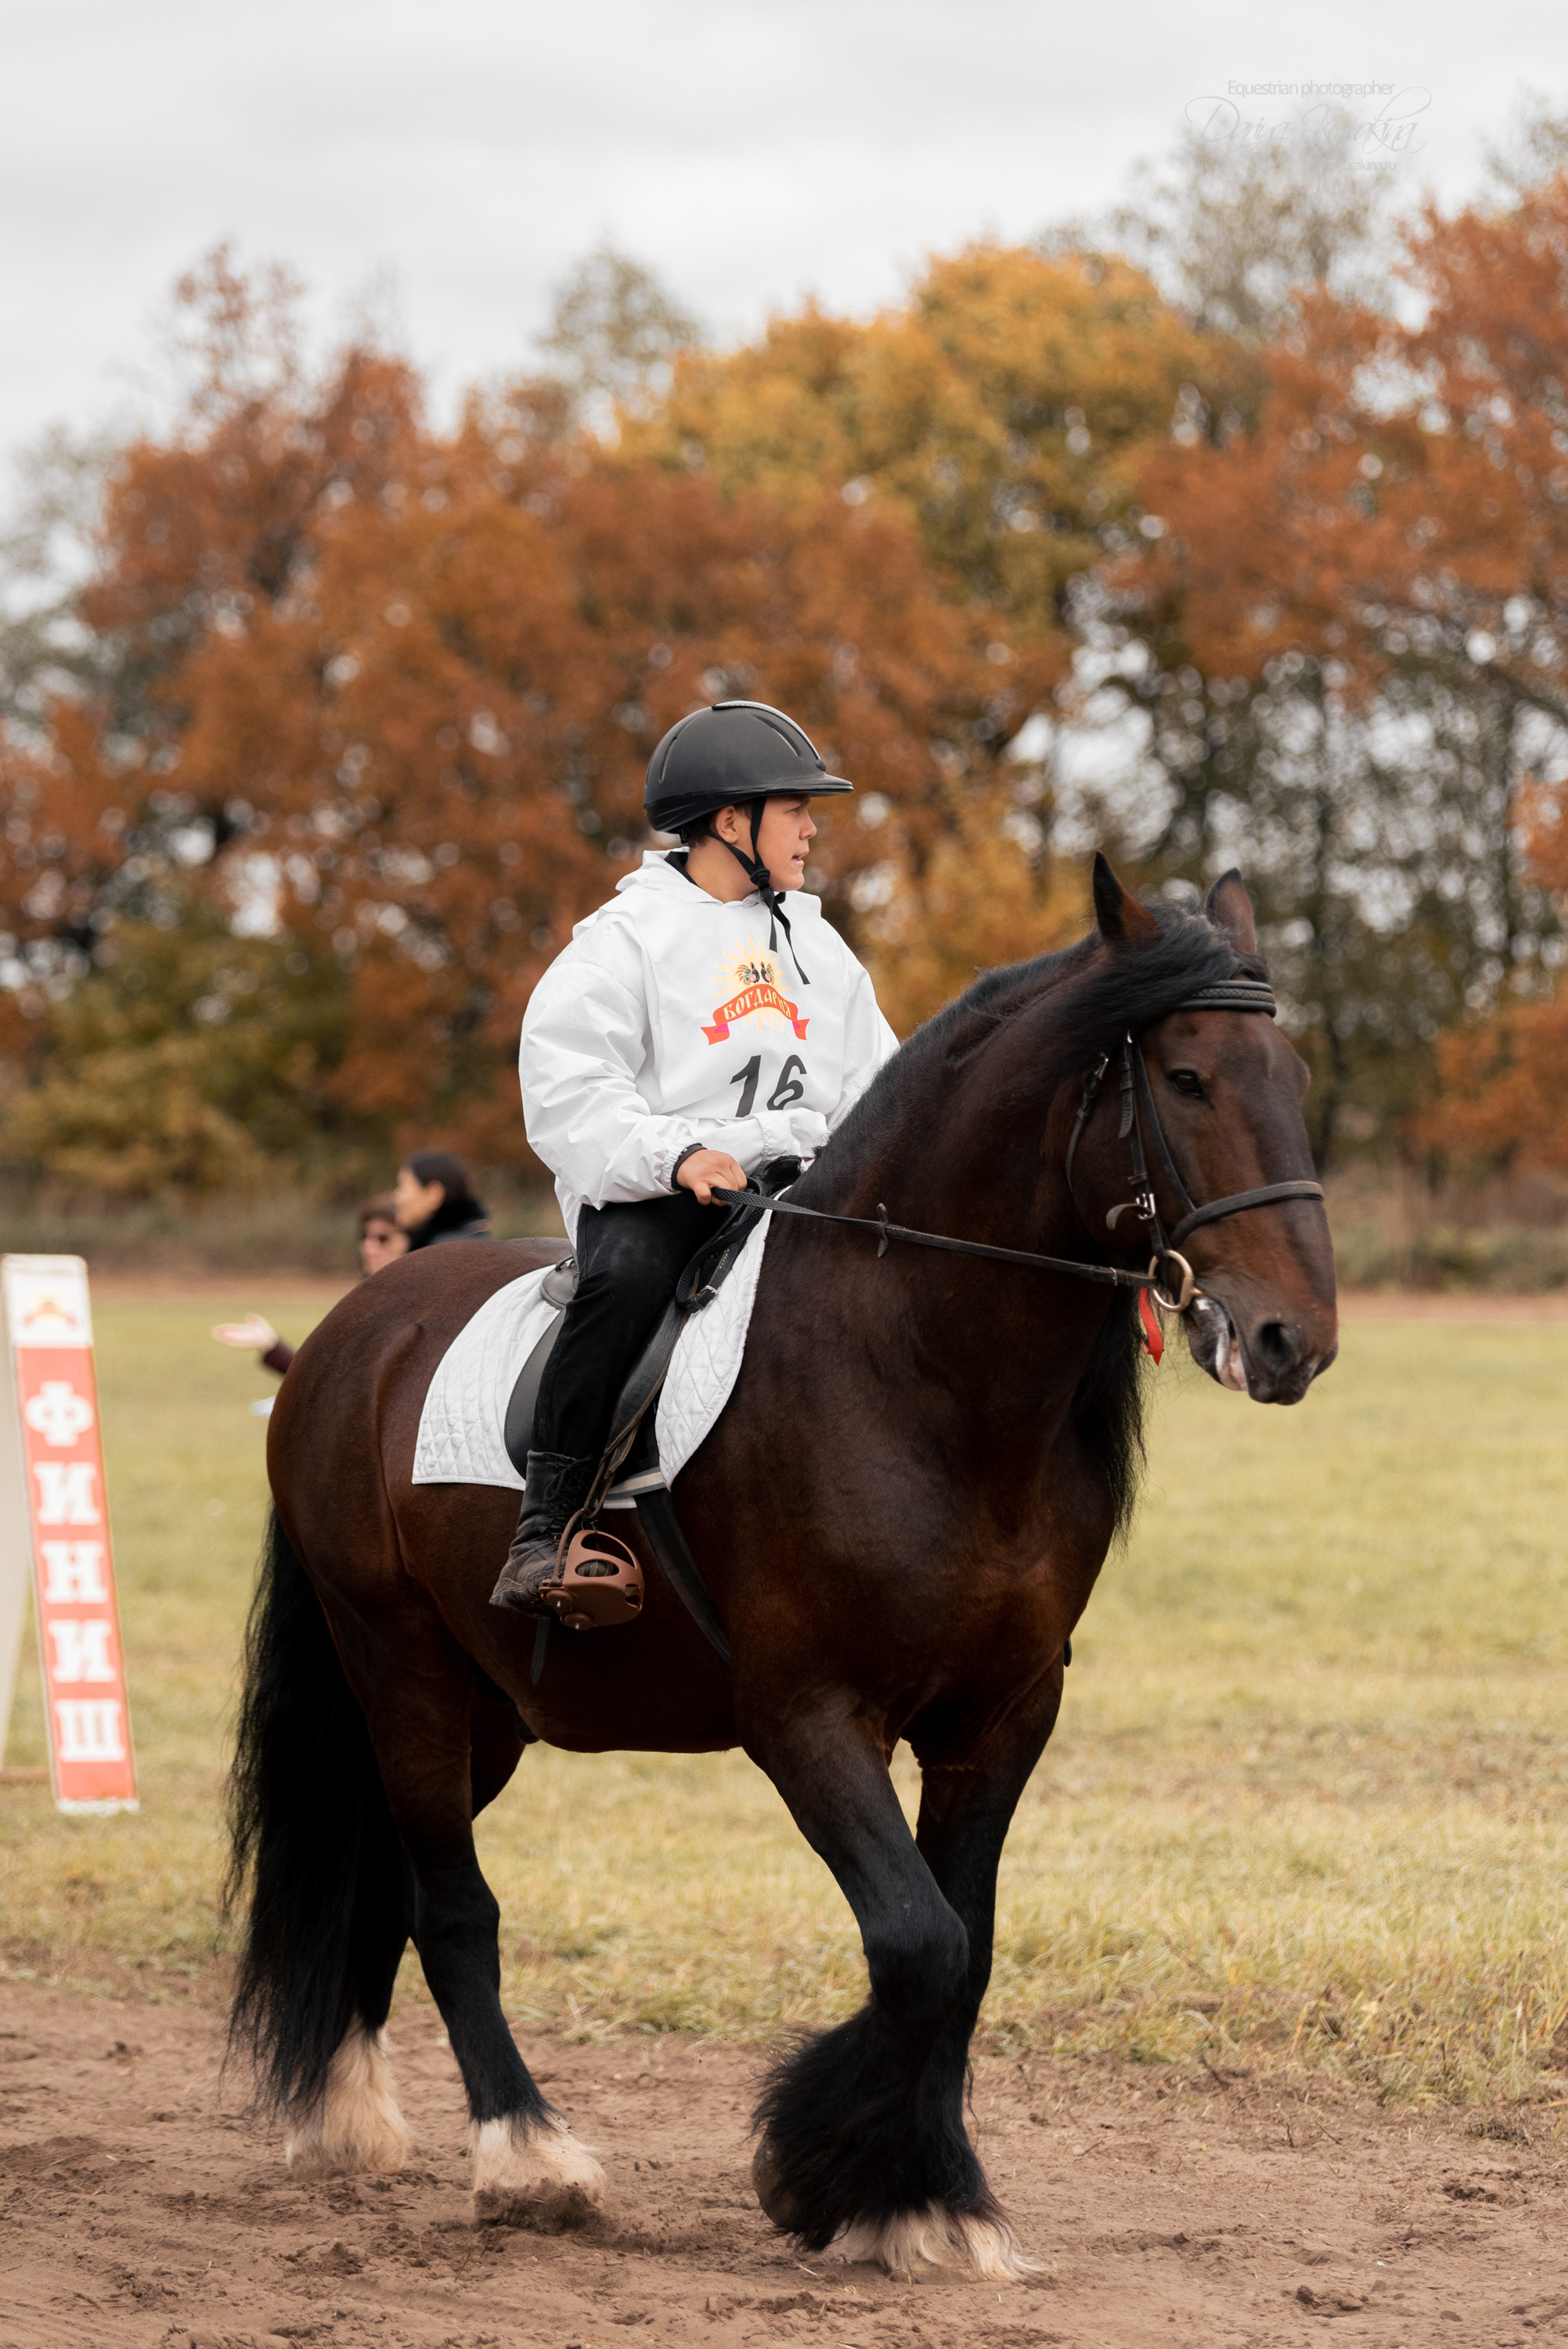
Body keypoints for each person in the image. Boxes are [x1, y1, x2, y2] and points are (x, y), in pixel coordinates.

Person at [490, 698, 899, 1616]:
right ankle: (544, 1528)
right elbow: (567, 1090)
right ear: (729, 822)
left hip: (806, 1188)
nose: (810, 827)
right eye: (794, 808)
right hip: (665, 1189)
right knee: (625, 1281)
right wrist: (678, 1156)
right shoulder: (620, 943)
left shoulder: (820, 948)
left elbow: (880, 1084)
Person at [211, 1193, 409, 1376]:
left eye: (383, 1239)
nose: (368, 1248)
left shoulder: (416, 1306)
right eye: (365, 1237)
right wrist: (271, 1345)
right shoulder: (367, 1297)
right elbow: (331, 1382)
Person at [394, 1149, 492, 1247]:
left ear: (433, 1195)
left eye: (403, 1187)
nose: (396, 1196)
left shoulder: (445, 1254)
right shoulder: (472, 1242)